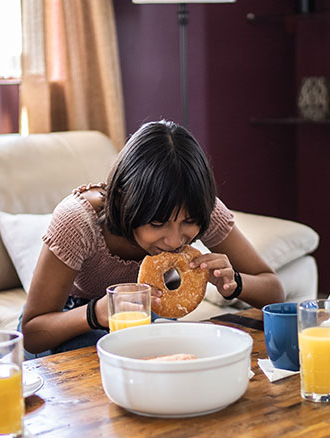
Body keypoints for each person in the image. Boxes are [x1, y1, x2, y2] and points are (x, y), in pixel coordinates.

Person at [20, 120, 286, 357]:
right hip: (72, 319)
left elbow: (274, 291)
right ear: (123, 201)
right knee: (123, 354)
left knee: (188, 353)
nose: (174, 240)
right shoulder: (79, 220)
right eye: (158, 223)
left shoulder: (200, 208)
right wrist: (97, 312)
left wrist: (235, 282)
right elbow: (32, 334)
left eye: (189, 223)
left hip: (145, 315)